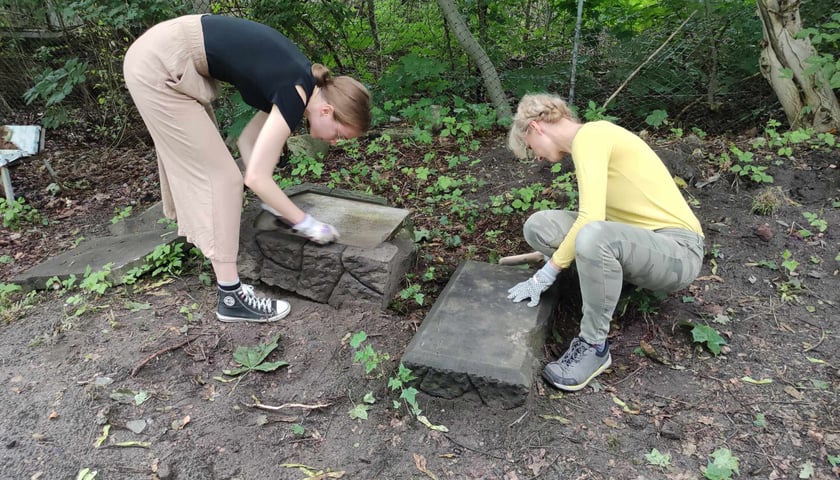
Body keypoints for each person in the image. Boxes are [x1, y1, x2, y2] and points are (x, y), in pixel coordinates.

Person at [123, 14, 371, 323]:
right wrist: (307, 224)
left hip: (163, 56)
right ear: (327, 111)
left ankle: (226, 280)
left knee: (218, 169)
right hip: (159, 66)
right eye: (338, 134)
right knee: (224, 178)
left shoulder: (297, 82)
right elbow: (254, 176)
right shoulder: (295, 91)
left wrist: (274, 203)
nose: (334, 142)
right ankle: (231, 298)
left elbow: (247, 142)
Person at [506, 93, 704, 392]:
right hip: (633, 239)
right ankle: (604, 282)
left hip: (678, 252)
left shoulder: (592, 136)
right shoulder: (587, 143)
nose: (536, 156)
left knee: (593, 235)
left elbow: (591, 219)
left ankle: (594, 347)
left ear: (537, 127)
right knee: (540, 226)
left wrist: (547, 272)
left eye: (531, 147)